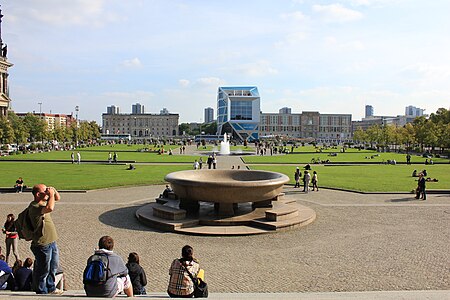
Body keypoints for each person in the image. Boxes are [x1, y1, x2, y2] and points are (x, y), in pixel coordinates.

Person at [28, 184, 62, 294]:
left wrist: (53, 190)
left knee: (53, 266)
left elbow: (57, 198)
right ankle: (42, 290)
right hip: (42, 243)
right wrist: (51, 194)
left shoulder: (42, 202)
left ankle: (51, 287)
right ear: (38, 194)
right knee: (44, 268)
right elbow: (50, 208)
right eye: (45, 190)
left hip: (51, 240)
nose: (47, 192)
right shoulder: (35, 207)